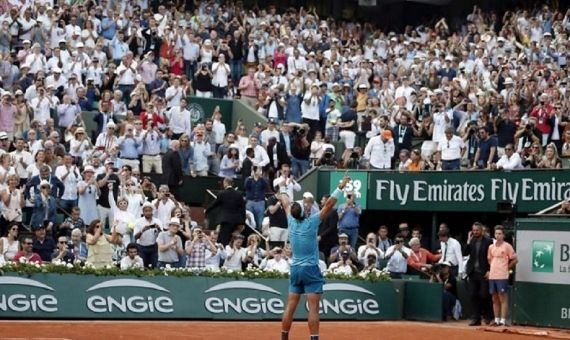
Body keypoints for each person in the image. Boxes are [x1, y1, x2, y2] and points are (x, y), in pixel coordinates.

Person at [280, 175, 350, 340]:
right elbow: (330, 204)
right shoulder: (311, 222)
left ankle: (284, 337)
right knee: (313, 308)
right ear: (304, 212)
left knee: (290, 307)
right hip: (310, 269)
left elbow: (284, 201)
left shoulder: (290, 220)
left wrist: (283, 186)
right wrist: (340, 187)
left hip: (295, 269)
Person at [488, 226, 517, 326]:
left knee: (502, 298)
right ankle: (496, 320)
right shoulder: (491, 247)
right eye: (496, 234)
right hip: (492, 276)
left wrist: (507, 268)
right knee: (494, 298)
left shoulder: (507, 246)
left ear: (503, 235)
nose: (498, 235)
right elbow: (490, 260)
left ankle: (503, 321)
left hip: (503, 276)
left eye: (500, 234)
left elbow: (515, 259)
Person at [465, 221, 494, 326]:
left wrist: (489, 270)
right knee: (473, 295)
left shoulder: (488, 241)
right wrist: (468, 241)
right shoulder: (471, 240)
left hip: (484, 272)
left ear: (482, 230)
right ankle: (476, 318)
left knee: (484, 295)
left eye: (477, 230)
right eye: (474, 230)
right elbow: (465, 253)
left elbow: (492, 257)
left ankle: (488, 316)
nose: (475, 232)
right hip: (473, 272)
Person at [206, 177, 245, 246]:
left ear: (225, 183)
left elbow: (214, 204)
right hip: (237, 221)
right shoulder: (239, 194)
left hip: (226, 220)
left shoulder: (222, 193)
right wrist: (243, 222)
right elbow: (242, 209)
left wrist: (207, 210)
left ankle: (224, 253)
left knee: (224, 239)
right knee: (233, 238)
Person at [133, 202, 162, 269]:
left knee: (155, 266)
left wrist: (158, 229)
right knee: (142, 267)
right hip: (141, 247)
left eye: (149, 211)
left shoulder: (158, 221)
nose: (148, 213)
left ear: (152, 211)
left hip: (154, 247)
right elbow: (135, 237)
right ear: (143, 212)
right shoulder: (138, 221)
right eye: (146, 211)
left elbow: (161, 235)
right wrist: (142, 231)